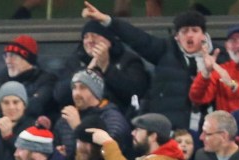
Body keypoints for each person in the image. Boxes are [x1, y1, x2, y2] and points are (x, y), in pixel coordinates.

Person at [81, 2, 211, 131]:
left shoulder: (217, 56)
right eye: (184, 31)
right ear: (177, 36)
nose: (189, 35)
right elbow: (137, 38)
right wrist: (107, 20)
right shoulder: (166, 50)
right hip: (168, 130)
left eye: (195, 30)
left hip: (205, 132)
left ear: (203, 35)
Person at [53, 19, 149, 115]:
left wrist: (106, 67)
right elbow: (60, 95)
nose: (90, 41)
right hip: (79, 118)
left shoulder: (128, 60)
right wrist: (87, 72)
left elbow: (135, 93)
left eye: (95, 36)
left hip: (117, 118)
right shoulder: (75, 61)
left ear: (109, 40)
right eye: (86, 37)